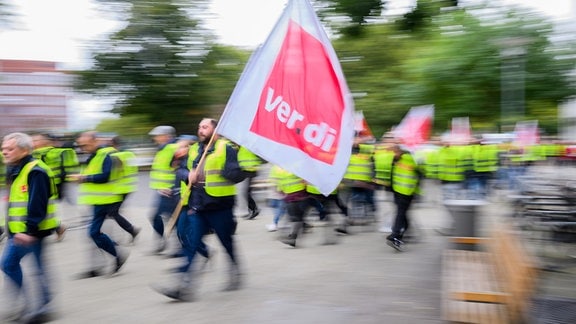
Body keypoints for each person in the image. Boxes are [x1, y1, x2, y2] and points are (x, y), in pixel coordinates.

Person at [153, 118, 245, 302]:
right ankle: (183, 287)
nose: (200, 130)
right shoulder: (194, 149)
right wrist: (188, 174)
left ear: (215, 130)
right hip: (197, 205)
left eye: (205, 127)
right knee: (191, 244)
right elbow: (179, 170)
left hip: (220, 206)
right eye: (199, 127)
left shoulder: (226, 148)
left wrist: (228, 171)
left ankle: (235, 269)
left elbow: (237, 174)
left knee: (226, 242)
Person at [1, 132, 60, 322]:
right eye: (3, 148)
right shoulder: (15, 168)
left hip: (32, 232)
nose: (4, 152)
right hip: (17, 231)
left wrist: (29, 231)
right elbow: (14, 202)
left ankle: (43, 308)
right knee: (8, 264)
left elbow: (38, 204)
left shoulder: (36, 170)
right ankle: (28, 305)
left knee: (38, 268)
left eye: (10, 149)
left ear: (25, 150)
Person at [69, 131, 129, 278]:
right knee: (93, 233)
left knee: (93, 232)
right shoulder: (93, 156)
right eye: (81, 145)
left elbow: (105, 176)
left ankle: (117, 254)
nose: (82, 147)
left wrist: (84, 178)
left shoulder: (105, 155)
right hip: (96, 201)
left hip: (105, 201)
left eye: (85, 144)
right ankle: (111, 258)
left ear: (94, 141)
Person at [31, 132, 79, 241]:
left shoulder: (56, 152)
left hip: (55, 185)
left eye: (35, 140)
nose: (33, 143)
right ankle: (58, 228)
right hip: (42, 185)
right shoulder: (32, 154)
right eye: (32, 140)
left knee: (43, 209)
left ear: (45, 142)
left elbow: (69, 168)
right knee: (42, 209)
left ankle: (57, 228)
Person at [148, 125, 179, 254]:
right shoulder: (162, 149)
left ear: (167, 136)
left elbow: (180, 169)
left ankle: (180, 247)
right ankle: (166, 243)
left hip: (170, 190)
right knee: (162, 218)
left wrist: (173, 187)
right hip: (161, 190)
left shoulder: (173, 148)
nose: (155, 138)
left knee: (172, 219)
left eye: (158, 135)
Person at [386, 144, 422, 251]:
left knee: (401, 213)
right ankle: (406, 232)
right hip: (397, 190)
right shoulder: (397, 158)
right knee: (403, 213)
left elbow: (418, 172)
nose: (394, 152)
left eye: (396, 151)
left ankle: (395, 235)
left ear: (402, 151)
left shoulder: (409, 158)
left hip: (407, 192)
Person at [109, 136, 141, 242]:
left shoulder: (116, 155)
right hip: (130, 186)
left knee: (113, 212)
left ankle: (132, 230)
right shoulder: (129, 154)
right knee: (114, 211)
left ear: (113, 145)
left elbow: (116, 170)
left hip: (120, 188)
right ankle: (131, 230)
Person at [237, 146, 265, 220]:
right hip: (246, 170)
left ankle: (254, 209)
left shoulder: (249, 145)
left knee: (245, 192)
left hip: (250, 170)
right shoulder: (241, 146)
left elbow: (260, 156)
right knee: (246, 192)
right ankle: (253, 209)